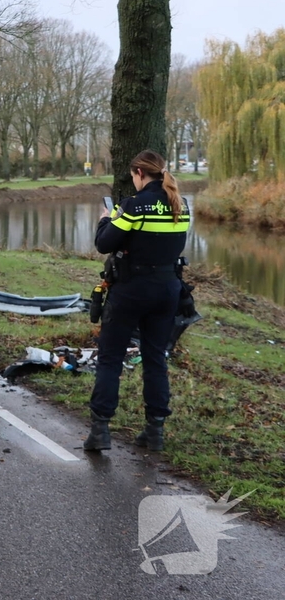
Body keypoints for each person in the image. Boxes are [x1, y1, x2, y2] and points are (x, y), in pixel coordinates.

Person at [84, 150, 191, 453]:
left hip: (131, 290)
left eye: (133, 176)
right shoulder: (181, 205)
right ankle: (155, 431)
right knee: (155, 358)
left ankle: (100, 430)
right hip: (168, 290)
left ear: (140, 173)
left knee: (110, 357)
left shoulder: (133, 206)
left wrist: (106, 220)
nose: (133, 181)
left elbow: (104, 243)